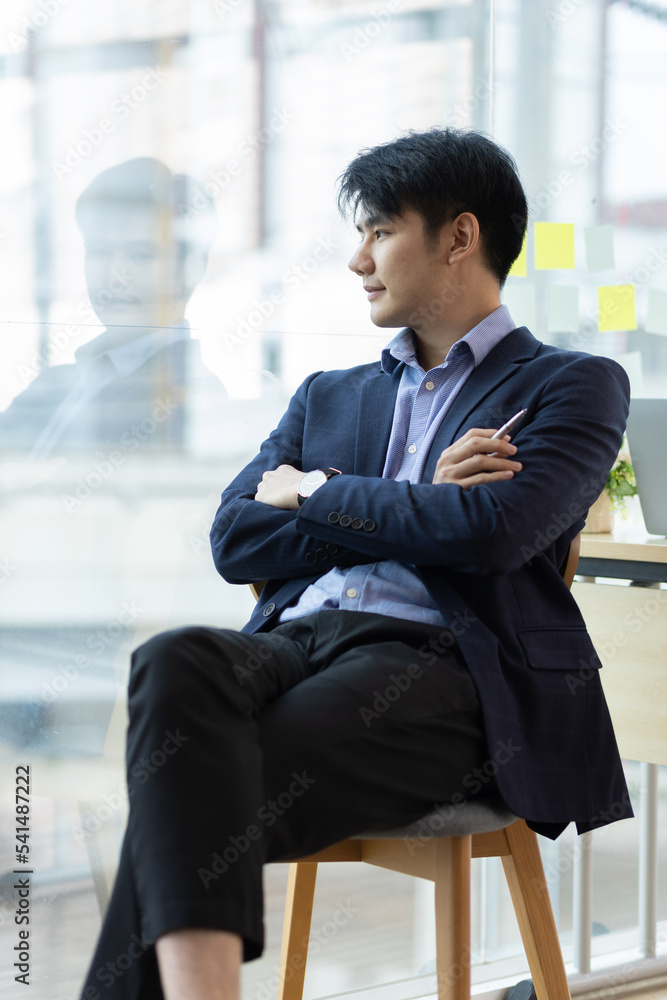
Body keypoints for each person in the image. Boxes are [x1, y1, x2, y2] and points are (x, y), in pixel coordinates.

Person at [80, 128, 631, 1000]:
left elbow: (493, 533)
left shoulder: (571, 384)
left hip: (444, 669)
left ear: (458, 236)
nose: (355, 260)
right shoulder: (328, 394)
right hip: (294, 643)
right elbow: (234, 540)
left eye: (378, 231)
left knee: (182, 780)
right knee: (176, 659)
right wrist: (406, 499)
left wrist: (317, 490)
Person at [0, 157, 224, 458]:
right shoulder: (55, 385)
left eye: (142, 255)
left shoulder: (186, 398)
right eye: (99, 251)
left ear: (190, 268)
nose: (115, 276)